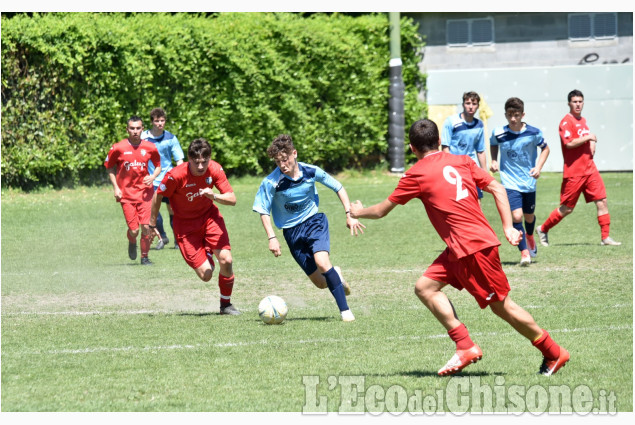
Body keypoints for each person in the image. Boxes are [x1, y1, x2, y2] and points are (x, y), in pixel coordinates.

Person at [350, 119, 570, 376]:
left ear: (412, 148)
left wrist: (357, 211)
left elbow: (381, 211)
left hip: (473, 249)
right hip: (461, 249)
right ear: (439, 142)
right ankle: (464, 345)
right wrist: (508, 226)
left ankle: (554, 352)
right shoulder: (463, 161)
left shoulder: (416, 174)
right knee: (425, 287)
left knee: (502, 306)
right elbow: (497, 188)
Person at [252, 134, 365, 322]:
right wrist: (272, 237)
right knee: (321, 283)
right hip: (291, 232)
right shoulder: (271, 182)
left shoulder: (311, 171)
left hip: (314, 222)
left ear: (294, 153)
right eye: (278, 161)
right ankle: (335, 275)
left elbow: (338, 187)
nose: (282, 165)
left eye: (285, 159)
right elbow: (263, 210)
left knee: (322, 262)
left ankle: (345, 312)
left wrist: (349, 214)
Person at [149, 138, 241, 315]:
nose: (200, 167)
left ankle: (225, 305)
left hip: (209, 218)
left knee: (227, 260)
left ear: (209, 158)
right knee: (206, 275)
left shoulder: (215, 169)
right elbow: (158, 195)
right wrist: (152, 223)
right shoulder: (176, 175)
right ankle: (207, 252)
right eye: (196, 162)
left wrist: (213, 196)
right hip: (185, 227)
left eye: (204, 162)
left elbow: (232, 199)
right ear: (189, 159)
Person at [536, 89, 620, 246]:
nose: (578, 104)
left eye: (580, 101)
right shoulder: (566, 122)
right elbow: (569, 143)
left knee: (602, 201)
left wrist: (592, 142)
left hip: (590, 169)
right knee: (567, 208)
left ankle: (605, 237)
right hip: (574, 172)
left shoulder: (583, 120)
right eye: (574, 102)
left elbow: (587, 138)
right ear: (569, 103)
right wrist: (589, 137)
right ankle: (543, 228)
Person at [490, 97, 550, 266]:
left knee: (529, 217)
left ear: (523, 114)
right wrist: (494, 160)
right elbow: (493, 144)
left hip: (529, 182)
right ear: (505, 115)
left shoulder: (533, 132)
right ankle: (524, 253)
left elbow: (545, 148)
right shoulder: (499, 133)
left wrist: (538, 167)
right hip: (509, 182)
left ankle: (530, 236)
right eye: (510, 115)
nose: (513, 118)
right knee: (517, 215)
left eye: (516, 115)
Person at [105, 115, 161, 265]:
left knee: (146, 227)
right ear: (127, 129)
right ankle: (131, 240)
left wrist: (153, 177)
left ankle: (144, 257)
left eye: (138, 128)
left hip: (145, 193)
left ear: (142, 129)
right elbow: (109, 167)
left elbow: (158, 166)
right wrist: (116, 188)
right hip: (126, 195)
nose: (135, 131)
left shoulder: (150, 147)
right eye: (132, 128)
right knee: (134, 231)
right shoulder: (118, 147)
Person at [141, 107, 185, 250]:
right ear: (151, 122)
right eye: (156, 121)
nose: (160, 123)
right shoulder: (143, 138)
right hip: (151, 181)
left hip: (169, 180)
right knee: (154, 210)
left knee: (173, 210)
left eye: (162, 120)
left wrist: (180, 176)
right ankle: (163, 236)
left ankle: (178, 240)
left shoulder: (171, 138)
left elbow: (179, 160)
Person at [442, 91, 488, 203]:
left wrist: (484, 172)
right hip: (455, 169)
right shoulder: (451, 122)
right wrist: (451, 166)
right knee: (457, 203)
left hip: (472, 168)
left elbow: (480, 151)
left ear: (478, 106)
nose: (471, 107)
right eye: (468, 103)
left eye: (474, 104)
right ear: (463, 104)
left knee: (477, 201)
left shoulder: (479, 125)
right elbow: (445, 147)